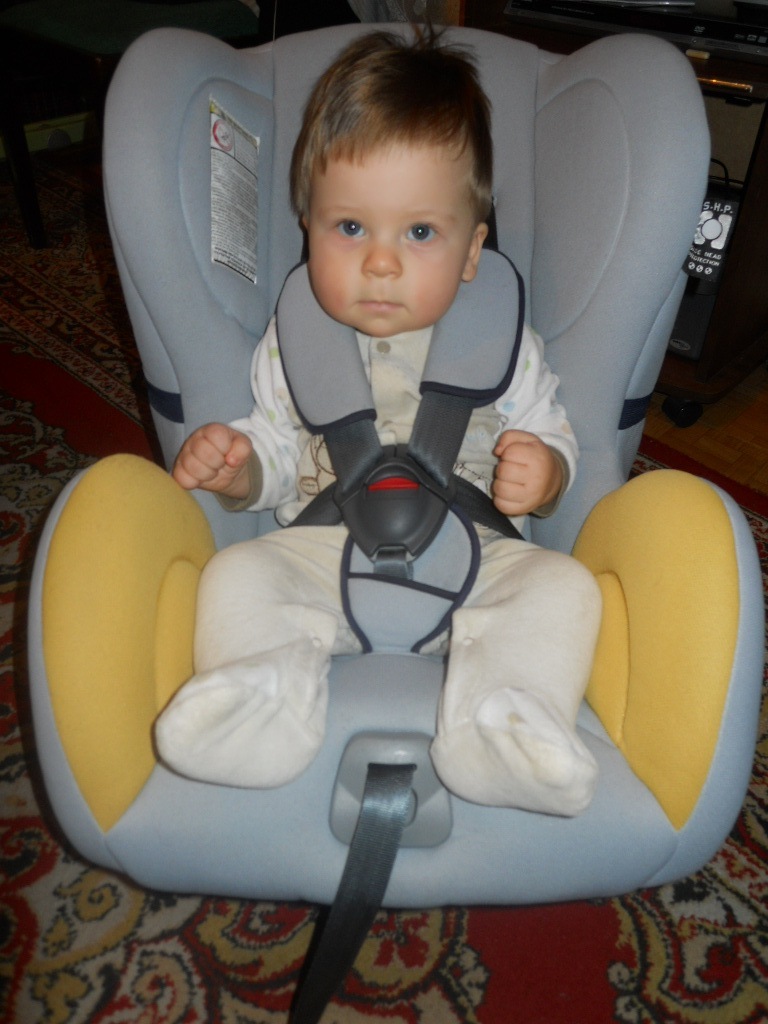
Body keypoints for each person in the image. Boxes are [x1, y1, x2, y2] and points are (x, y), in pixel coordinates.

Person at [155, 28, 602, 816]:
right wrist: (239, 467)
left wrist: (547, 472)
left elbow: (552, 430)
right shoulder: (295, 341)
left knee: (563, 588)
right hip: (325, 554)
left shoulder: (504, 343)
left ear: (472, 252)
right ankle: (260, 698)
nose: (381, 262)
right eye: (350, 227)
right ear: (308, 226)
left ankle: (501, 722)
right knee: (240, 575)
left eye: (420, 233)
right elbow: (276, 446)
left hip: (477, 562)